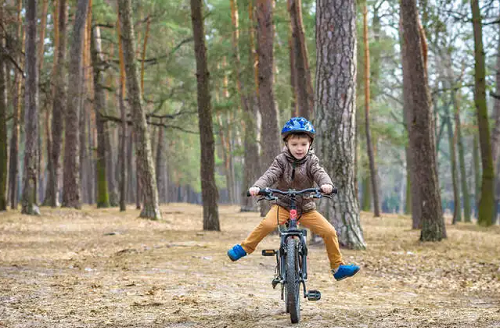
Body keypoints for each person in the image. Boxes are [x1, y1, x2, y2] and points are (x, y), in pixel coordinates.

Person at [227, 117, 360, 281]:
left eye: (303, 144)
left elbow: (320, 173)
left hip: (305, 208)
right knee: (267, 224)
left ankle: (337, 267)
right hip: (282, 205)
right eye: (294, 144)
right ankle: (245, 248)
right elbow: (270, 175)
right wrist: (257, 187)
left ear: (310, 144)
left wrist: (327, 185)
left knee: (329, 231)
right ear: (287, 144)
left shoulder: (312, 161)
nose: (299, 148)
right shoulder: (281, 160)